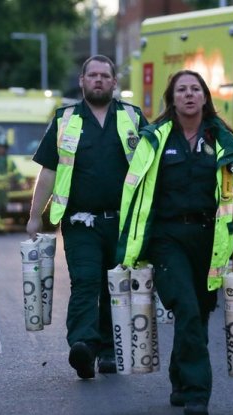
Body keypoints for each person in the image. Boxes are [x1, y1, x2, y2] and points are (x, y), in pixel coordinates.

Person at [116, 70, 233, 415]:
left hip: (210, 240)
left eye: (195, 89)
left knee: (199, 313)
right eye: (182, 90)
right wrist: (131, 246)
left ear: (205, 97)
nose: (189, 95)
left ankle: (179, 379)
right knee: (187, 308)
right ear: (172, 98)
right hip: (167, 239)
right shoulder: (155, 138)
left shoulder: (226, 143)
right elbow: (134, 192)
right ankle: (197, 394)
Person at [26, 55, 147, 379]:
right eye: (92, 75)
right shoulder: (65, 119)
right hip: (80, 222)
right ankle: (83, 345)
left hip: (123, 223)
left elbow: (153, 171)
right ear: (82, 81)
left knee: (115, 285)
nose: (98, 80)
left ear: (114, 82)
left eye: (104, 76)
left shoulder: (133, 118)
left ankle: (108, 349)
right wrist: (35, 215)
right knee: (86, 282)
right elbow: (49, 170)